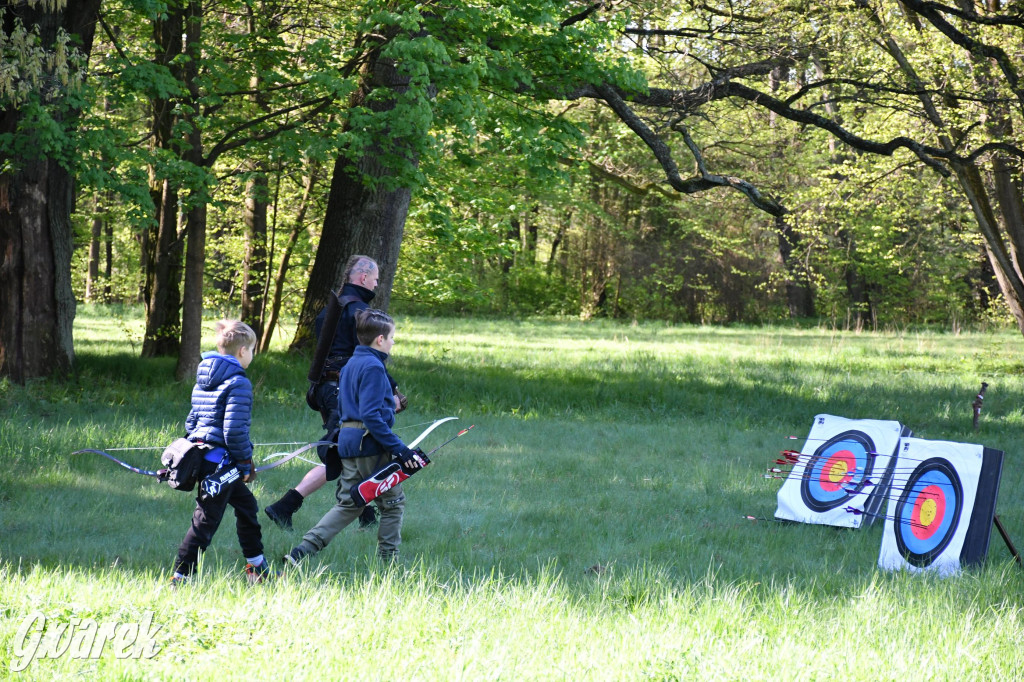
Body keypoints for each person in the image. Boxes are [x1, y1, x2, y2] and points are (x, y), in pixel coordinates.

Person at [264, 255, 406, 531]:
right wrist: (393, 391)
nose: (376, 284)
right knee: (340, 453)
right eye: (375, 279)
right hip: (342, 391)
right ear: (363, 278)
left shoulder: (331, 309)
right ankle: (285, 505)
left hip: (325, 390)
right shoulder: (359, 313)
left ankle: (365, 517)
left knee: (352, 450)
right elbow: (369, 358)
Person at [284, 309, 425, 566]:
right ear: (379, 340)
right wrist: (401, 450)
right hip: (369, 445)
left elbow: (362, 407)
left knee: (350, 504)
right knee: (393, 504)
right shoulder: (373, 366)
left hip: (349, 443)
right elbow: (371, 416)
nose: (393, 342)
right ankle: (389, 564)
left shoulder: (351, 363)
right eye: (392, 337)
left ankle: (302, 552)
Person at [170, 320, 272, 586]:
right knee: (205, 521)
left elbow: (191, 422)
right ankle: (180, 577)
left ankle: (257, 568)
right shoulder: (238, 382)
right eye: (252, 350)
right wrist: (244, 462)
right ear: (242, 351)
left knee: (247, 506)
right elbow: (234, 431)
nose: (252, 355)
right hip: (221, 465)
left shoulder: (204, 377)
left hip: (207, 459)